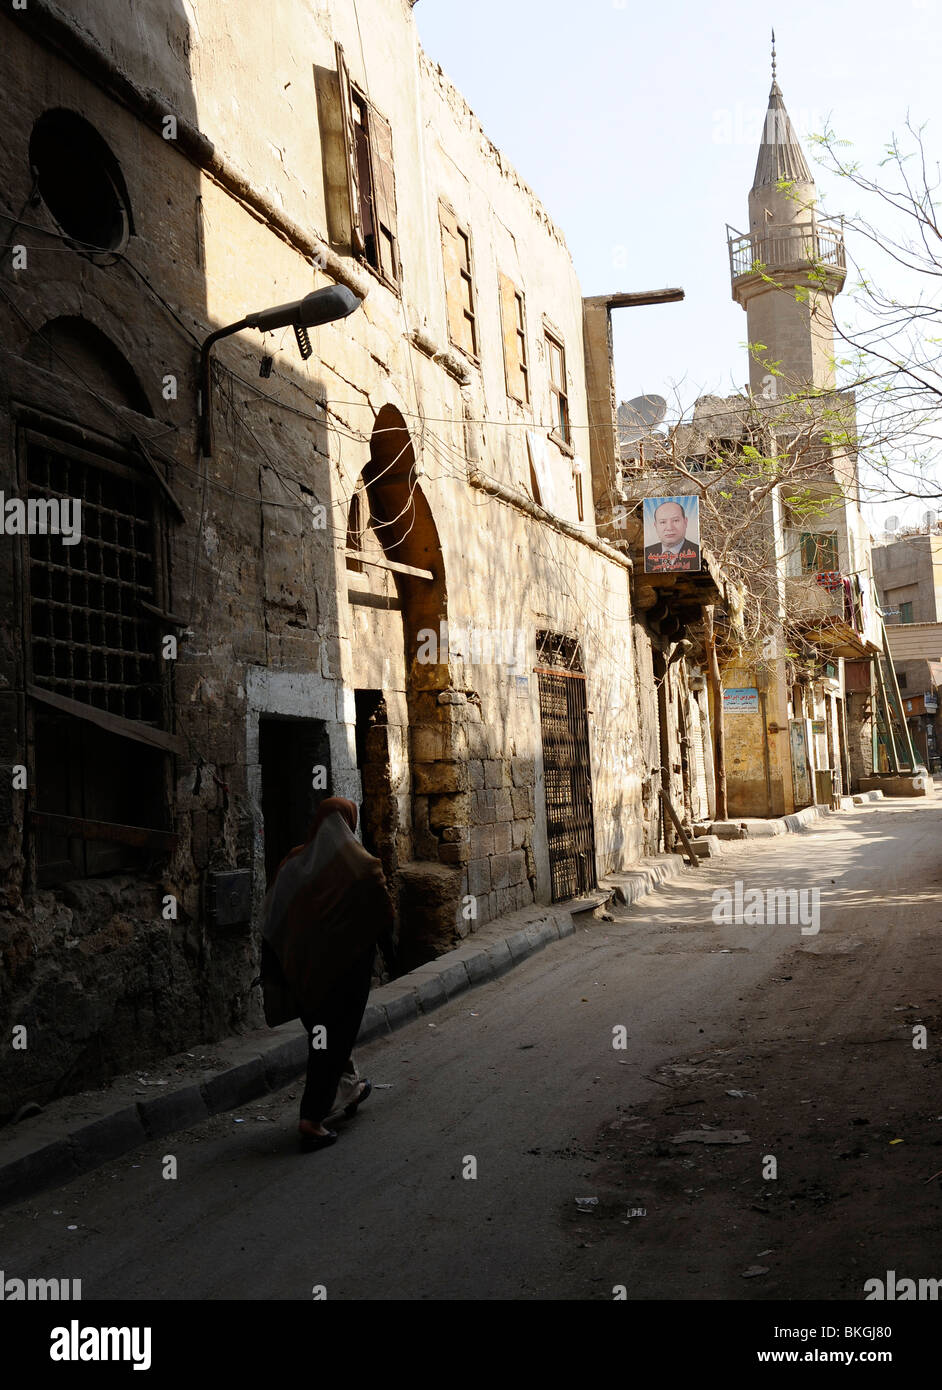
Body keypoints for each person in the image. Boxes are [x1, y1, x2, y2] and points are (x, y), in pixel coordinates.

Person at [259, 796, 395, 1152]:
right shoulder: (363, 868)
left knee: (326, 1038)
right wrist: (391, 957)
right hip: (346, 979)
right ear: (349, 824)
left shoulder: (292, 863)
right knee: (332, 1042)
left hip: (304, 979)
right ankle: (312, 1119)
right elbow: (384, 917)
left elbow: (273, 918)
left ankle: (350, 1087)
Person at [643, 500, 701, 573]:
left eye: (675, 520)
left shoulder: (697, 552)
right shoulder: (647, 553)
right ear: (655, 525)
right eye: (663, 522)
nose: (669, 528)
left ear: (685, 522)